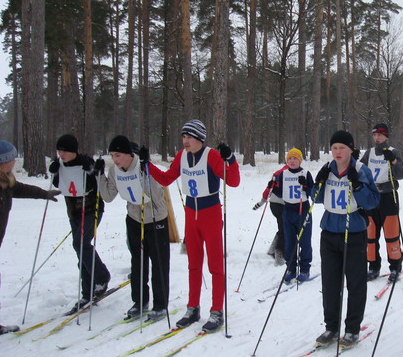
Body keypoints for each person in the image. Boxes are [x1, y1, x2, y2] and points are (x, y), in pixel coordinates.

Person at [140, 120, 240, 332]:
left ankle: (216, 311)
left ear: (200, 139)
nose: (185, 141)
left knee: (215, 265)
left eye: (189, 137)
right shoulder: (181, 156)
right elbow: (167, 179)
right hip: (190, 215)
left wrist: (230, 159)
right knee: (193, 265)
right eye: (183, 137)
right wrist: (147, 164)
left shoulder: (211, 155)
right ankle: (193, 308)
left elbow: (233, 181)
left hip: (210, 214)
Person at [311, 130, 380, 347]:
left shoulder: (361, 170)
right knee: (330, 283)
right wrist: (317, 183)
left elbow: (372, 202)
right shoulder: (327, 169)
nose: (338, 152)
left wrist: (358, 186)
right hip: (330, 230)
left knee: (356, 282)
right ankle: (331, 327)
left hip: (354, 231)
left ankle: (352, 329)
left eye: (342, 147)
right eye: (334, 148)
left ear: (351, 149)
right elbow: (316, 198)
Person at [96, 135, 171, 321]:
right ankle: (139, 301)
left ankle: (160, 304)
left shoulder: (142, 164)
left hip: (155, 218)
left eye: (118, 155)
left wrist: (147, 169)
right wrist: (98, 175)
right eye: (112, 156)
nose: (115, 159)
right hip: (134, 219)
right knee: (138, 262)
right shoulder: (114, 171)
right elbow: (108, 196)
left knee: (159, 262)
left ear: (130, 154)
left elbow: (157, 193)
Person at [0, 141, 60, 334]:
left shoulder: (6, 181)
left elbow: (22, 189)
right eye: (11, 158)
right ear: (3, 162)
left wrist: (45, 194)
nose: (15, 161)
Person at [50, 134, 111, 315]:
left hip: (91, 209)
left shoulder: (85, 162)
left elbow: (96, 181)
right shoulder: (60, 165)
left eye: (64, 151)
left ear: (73, 151)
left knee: (80, 244)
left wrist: (95, 171)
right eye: (59, 150)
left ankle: (102, 277)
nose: (61, 154)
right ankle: (88, 292)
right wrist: (54, 173)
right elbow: (60, 184)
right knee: (80, 251)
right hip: (74, 213)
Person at [360, 123, 403, 282]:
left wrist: (393, 161)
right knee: (370, 235)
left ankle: (395, 267)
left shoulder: (393, 151)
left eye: (380, 135)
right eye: (375, 135)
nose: (377, 138)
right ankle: (373, 266)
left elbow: (401, 174)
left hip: (388, 196)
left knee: (392, 234)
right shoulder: (369, 153)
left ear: (386, 136)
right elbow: (359, 171)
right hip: (372, 197)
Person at [266, 148, 314, 282]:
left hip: (302, 210)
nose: (292, 161)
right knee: (289, 242)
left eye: (295, 158)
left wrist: (306, 186)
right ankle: (291, 268)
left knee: (304, 241)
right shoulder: (284, 174)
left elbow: (314, 193)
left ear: (300, 160)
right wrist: (274, 188)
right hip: (288, 210)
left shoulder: (305, 173)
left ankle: (305, 268)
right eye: (290, 159)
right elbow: (282, 193)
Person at [254, 175, 285, 266]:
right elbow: (270, 187)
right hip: (282, 205)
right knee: (285, 229)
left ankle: (272, 250)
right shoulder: (291, 172)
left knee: (283, 228)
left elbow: (269, 188)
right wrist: (262, 201)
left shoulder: (279, 172)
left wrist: (262, 201)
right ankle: (279, 255)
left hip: (274, 204)